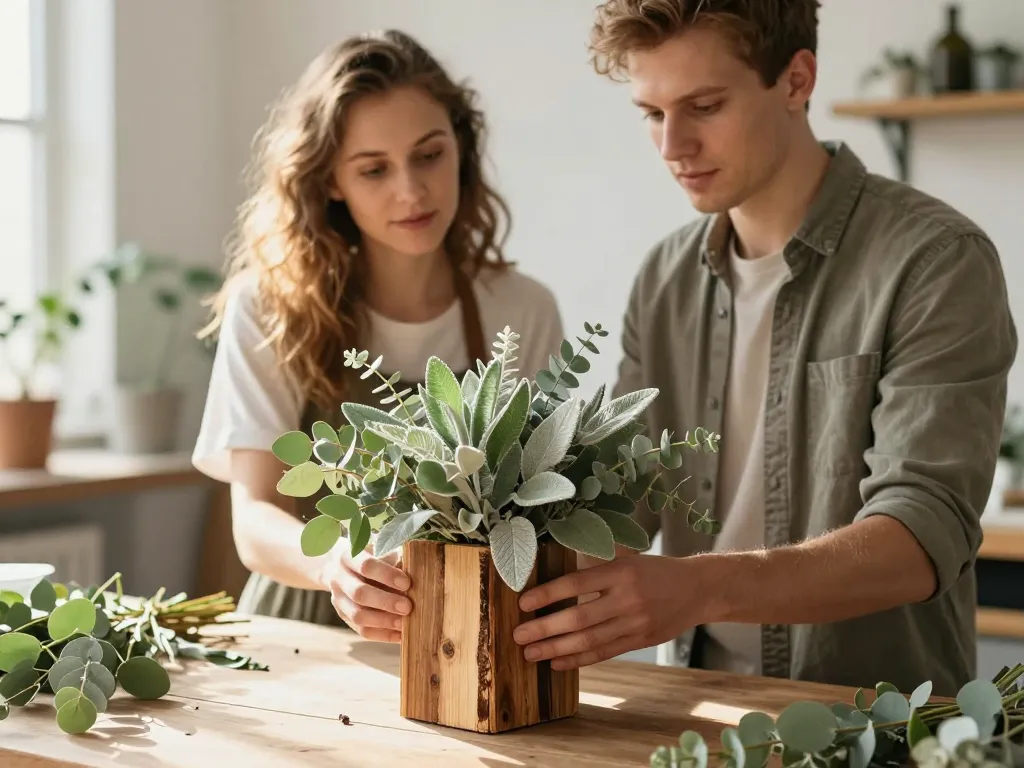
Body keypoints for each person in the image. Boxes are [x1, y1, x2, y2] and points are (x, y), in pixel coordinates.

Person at [511, 0, 1017, 697]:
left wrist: (699, 588)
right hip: (688, 714)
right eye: (652, 113)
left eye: (705, 105)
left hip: (867, 722)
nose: (672, 145)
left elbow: (920, 537)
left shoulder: (934, 261)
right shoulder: (664, 279)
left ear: (796, 80)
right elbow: (626, 506)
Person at [192, 29, 564, 642]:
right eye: (373, 169)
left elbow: (538, 513)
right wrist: (335, 564)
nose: (411, 191)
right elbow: (254, 518)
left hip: (467, 633)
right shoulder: (270, 307)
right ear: (330, 180)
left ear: (461, 149)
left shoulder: (523, 308)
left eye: (429, 154)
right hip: (304, 632)